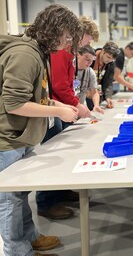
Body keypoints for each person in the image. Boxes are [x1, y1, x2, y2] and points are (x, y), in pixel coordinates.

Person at [0, 4, 81, 256]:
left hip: (21, 136)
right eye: (67, 36)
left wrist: (58, 104)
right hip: (7, 139)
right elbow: (14, 104)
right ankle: (17, 251)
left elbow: (38, 95)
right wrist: (58, 111)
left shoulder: (39, 52)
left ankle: (30, 238)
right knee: (10, 200)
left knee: (20, 194)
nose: (68, 42)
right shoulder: (26, 54)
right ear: (54, 30)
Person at [36, 16, 99, 221]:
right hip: (54, 109)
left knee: (61, 156)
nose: (88, 45)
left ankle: (60, 193)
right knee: (53, 156)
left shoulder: (70, 53)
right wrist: (77, 104)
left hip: (62, 108)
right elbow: (60, 85)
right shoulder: (62, 51)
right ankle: (46, 202)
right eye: (88, 40)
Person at [88, 42, 120, 109]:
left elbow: (108, 82)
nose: (109, 60)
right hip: (84, 92)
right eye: (108, 57)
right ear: (103, 51)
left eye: (112, 59)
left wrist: (108, 97)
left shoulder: (110, 64)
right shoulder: (90, 57)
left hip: (96, 93)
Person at [75, 45, 103, 113]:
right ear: (78, 55)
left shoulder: (90, 72)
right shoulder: (69, 69)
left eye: (92, 61)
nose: (89, 63)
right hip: (67, 108)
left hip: (80, 109)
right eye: (87, 59)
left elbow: (94, 92)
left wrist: (96, 105)